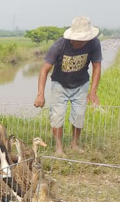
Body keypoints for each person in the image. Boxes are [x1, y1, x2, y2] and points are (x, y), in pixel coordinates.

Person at [34, 16, 102, 156]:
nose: (83, 42)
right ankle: (59, 147)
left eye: (85, 39)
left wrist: (93, 91)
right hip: (60, 84)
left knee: (79, 115)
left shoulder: (94, 43)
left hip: (81, 84)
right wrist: (40, 94)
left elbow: (97, 66)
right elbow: (44, 70)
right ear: (72, 37)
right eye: (80, 39)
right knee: (57, 115)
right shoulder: (59, 46)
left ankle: (74, 144)